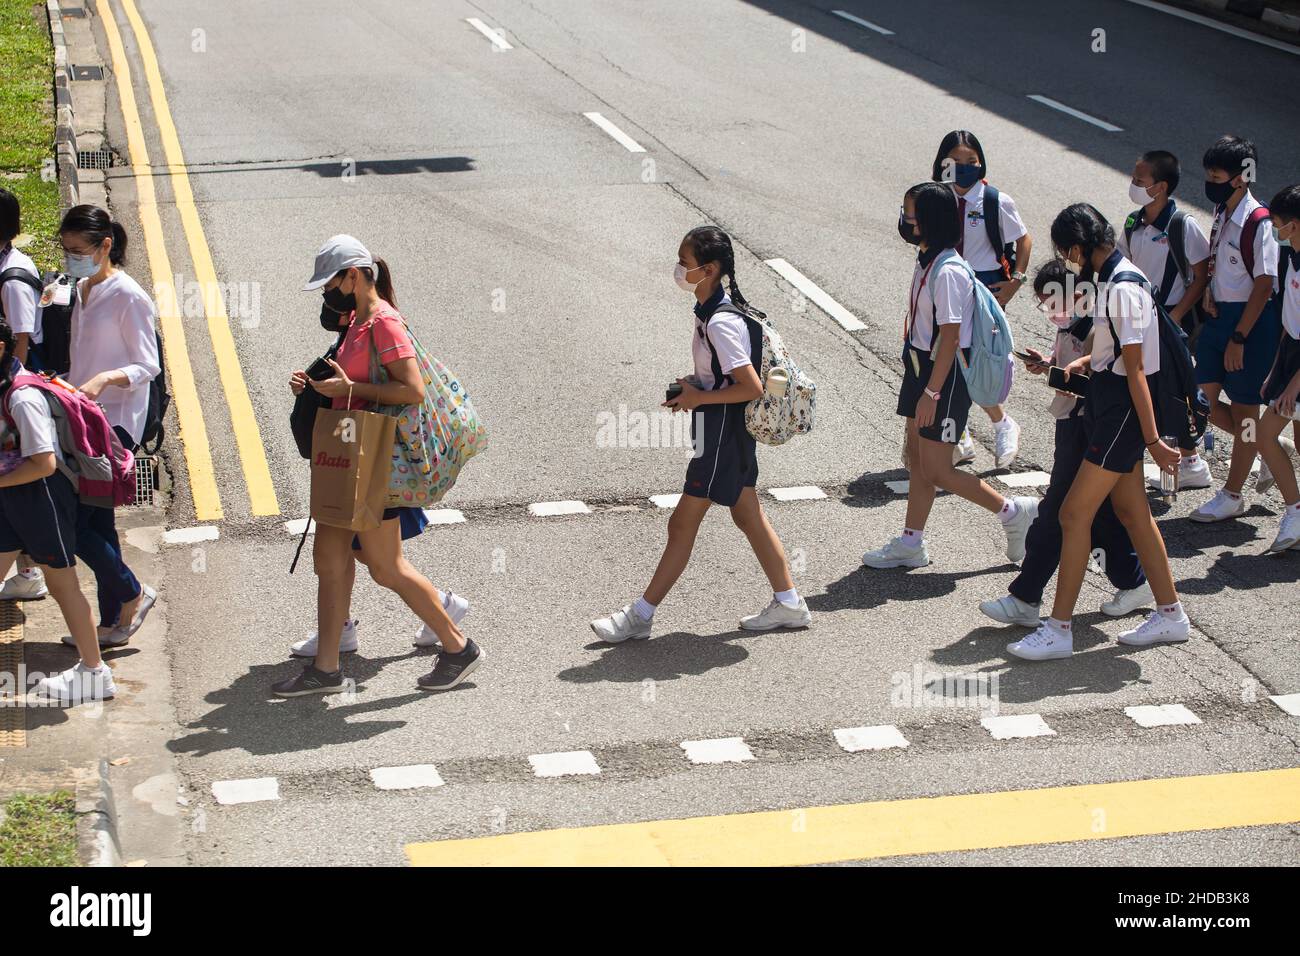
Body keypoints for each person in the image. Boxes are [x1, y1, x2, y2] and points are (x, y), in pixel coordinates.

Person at [279, 235, 481, 696]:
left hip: (376, 464)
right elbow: (355, 378)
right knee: (328, 558)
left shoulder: (384, 323)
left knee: (386, 567)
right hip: (348, 458)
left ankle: (458, 646)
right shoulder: (357, 322)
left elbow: (411, 390)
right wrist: (317, 386)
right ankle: (326, 670)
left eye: (330, 284)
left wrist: (348, 391)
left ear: (353, 276)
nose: (327, 294)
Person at [589, 225, 811, 643]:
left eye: (684, 264)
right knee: (748, 514)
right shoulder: (712, 311)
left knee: (681, 523)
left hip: (722, 435)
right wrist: (694, 386)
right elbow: (726, 378)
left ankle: (640, 615)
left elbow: (750, 386)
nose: (678, 270)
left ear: (707, 270)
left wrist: (699, 397)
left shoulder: (721, 322)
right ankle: (789, 602)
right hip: (726, 431)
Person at [1008, 204, 1188, 661]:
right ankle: (1170, 614)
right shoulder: (1118, 278)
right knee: (1133, 514)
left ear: (1077, 247)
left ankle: (1059, 629)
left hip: (1121, 413)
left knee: (1073, 514)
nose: (1066, 261)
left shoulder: (1121, 289)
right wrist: (1075, 364)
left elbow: (1137, 371)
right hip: (1114, 405)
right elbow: (1113, 355)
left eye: (1066, 252)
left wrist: (1151, 440)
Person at [865, 183, 1037, 571]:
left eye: (910, 214)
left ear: (927, 222)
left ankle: (1013, 512)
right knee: (918, 460)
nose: (904, 220)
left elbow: (952, 338)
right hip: (920, 365)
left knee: (939, 468)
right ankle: (912, 542)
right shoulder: (927, 258)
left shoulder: (949, 271)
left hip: (943, 375)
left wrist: (931, 391)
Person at [980, 260, 1150, 628]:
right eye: (1043, 304)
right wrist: (1048, 365)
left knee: (1057, 510)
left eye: (1051, 301)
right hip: (1073, 424)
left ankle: (1025, 596)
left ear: (1076, 292)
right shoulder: (1074, 322)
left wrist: (1066, 373)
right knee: (1098, 514)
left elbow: (1098, 381)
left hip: (1088, 427)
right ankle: (1135, 581)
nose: (1049, 310)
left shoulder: (1097, 324)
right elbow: (1069, 370)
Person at [59, 205, 157, 647]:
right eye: (66, 251)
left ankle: (132, 591)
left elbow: (147, 364)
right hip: (80, 418)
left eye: (79, 251)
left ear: (105, 246)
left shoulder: (129, 296)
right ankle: (115, 618)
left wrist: (103, 379)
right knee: (96, 524)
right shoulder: (81, 289)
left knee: (76, 524)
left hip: (112, 425)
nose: (71, 259)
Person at [0, 320, 113, 703]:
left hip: (41, 498)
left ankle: (95, 673)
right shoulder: (7, 384)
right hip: (12, 496)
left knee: (63, 586)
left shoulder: (22, 396)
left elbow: (44, 463)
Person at [1189, 137, 1282, 524]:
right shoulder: (1222, 210)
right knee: (1197, 402)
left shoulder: (1258, 221)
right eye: (1209, 174)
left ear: (1242, 177)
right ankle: (1268, 444)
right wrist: (1211, 291)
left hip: (1251, 325)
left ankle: (1232, 494)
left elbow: (1264, 284)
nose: (1211, 181)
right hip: (1219, 318)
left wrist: (1240, 337)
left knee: (1245, 413)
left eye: (1217, 175)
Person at [931, 130, 1031, 468]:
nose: (963, 168)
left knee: (977, 360)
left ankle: (1002, 425)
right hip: (947, 283)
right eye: (956, 162)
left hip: (984, 287)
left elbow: (1024, 239)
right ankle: (961, 434)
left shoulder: (994, 201)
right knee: (946, 356)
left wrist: (1016, 279)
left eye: (971, 162)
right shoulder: (938, 197)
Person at [1116, 151, 1214, 492]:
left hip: (1172, 320)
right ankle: (1171, 456)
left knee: (1174, 390)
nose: (1134, 186)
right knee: (1149, 387)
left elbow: (1201, 275)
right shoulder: (1132, 224)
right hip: (1141, 316)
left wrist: (1174, 316)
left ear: (1160, 187)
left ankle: (1191, 461)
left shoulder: (1181, 225)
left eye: (1139, 181)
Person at [0, 189, 51, 602]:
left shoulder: (13, 277)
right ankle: (30, 571)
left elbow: (19, 342)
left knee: (17, 475)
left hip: (14, 390)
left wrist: (6, 388)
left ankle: (32, 570)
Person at [1257, 184, 1300, 552]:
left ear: (1294, 226)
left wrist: (1292, 386)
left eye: (1276, 223)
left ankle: (1295, 510)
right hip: (1289, 356)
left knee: (1263, 434)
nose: (1273, 229)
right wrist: (1275, 373)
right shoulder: (1292, 259)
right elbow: (1290, 321)